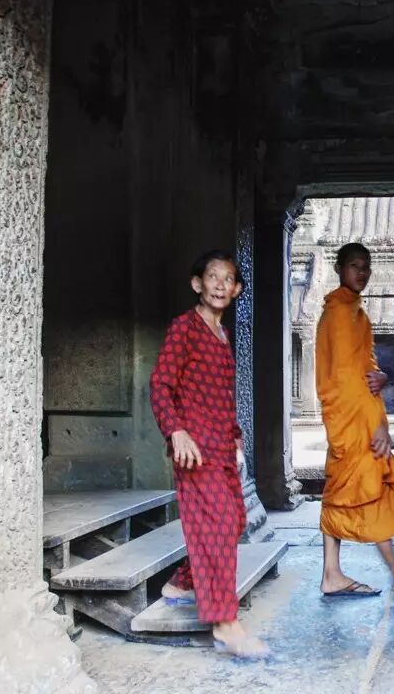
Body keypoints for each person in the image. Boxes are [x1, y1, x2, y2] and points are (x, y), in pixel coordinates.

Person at [150, 250, 266, 658]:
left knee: (234, 521)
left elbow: (221, 396)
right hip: (194, 450)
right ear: (197, 284)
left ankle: (180, 585)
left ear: (236, 290)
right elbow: (160, 384)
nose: (220, 284)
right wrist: (176, 430)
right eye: (212, 277)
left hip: (222, 447)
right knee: (218, 524)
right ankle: (225, 623)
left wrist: (236, 437)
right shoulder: (184, 328)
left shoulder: (222, 335)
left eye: (228, 278)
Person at [316, 243, 394, 598]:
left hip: (351, 419)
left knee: (341, 492)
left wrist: (382, 376)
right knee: (369, 491)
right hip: (353, 421)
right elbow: (346, 379)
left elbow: (365, 367)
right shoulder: (339, 314)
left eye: (366, 266)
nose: (362, 272)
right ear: (339, 268)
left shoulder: (355, 312)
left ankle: (332, 573)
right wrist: (376, 422)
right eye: (355, 265)